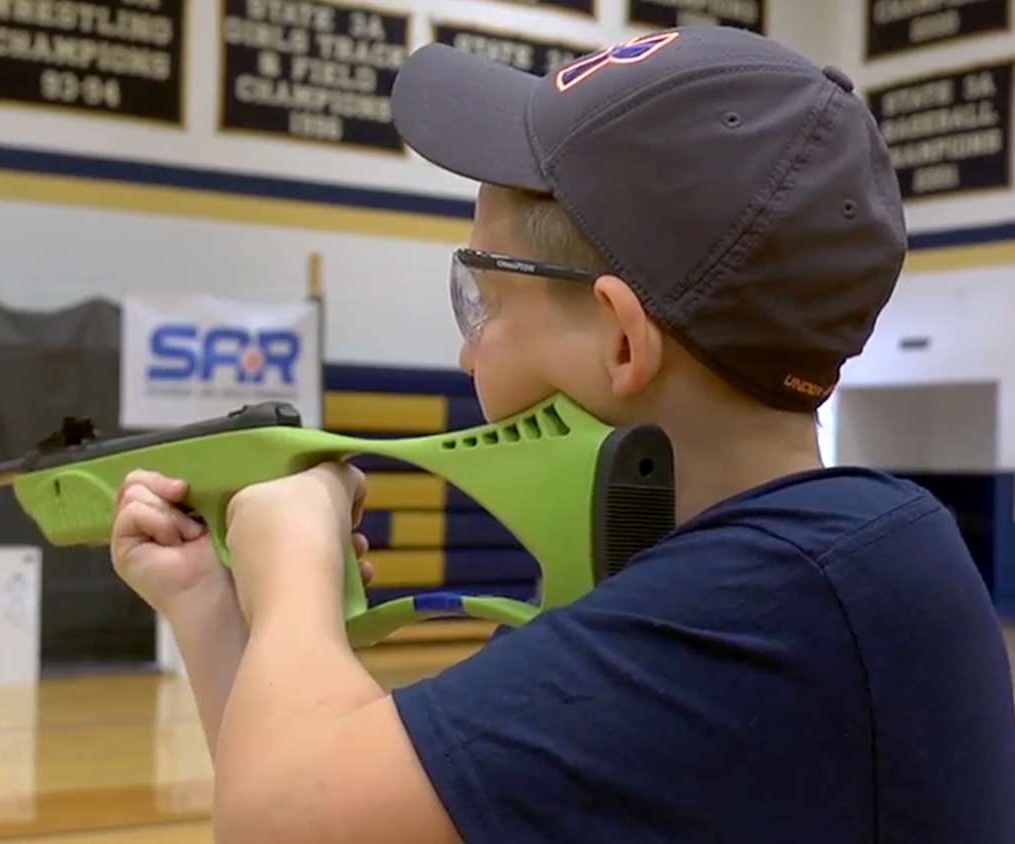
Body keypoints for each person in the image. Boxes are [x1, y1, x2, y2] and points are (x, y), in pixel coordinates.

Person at [109, 26, 1015, 844]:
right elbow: (337, 805)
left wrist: (294, 563)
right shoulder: (819, 568)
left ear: (621, 338)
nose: (467, 354)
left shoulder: (751, 613)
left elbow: (284, 825)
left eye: (483, 298)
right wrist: (214, 608)